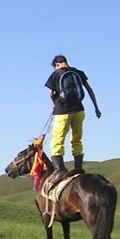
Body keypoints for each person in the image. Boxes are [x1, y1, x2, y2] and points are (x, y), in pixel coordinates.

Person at [44, 55, 101, 183]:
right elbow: (90, 90)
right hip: (79, 110)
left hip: (62, 112)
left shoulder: (55, 74)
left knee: (57, 141)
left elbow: (51, 94)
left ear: (56, 65)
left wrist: (54, 104)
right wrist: (96, 108)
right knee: (76, 140)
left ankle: (60, 170)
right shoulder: (78, 72)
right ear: (66, 62)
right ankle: (78, 168)